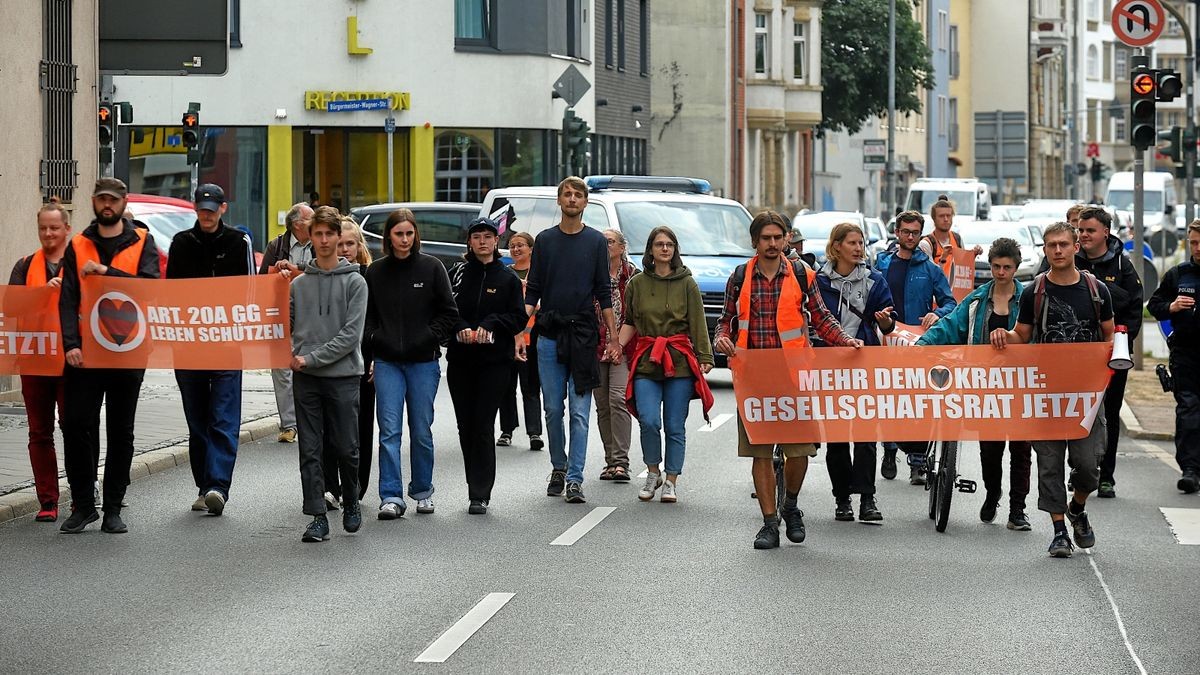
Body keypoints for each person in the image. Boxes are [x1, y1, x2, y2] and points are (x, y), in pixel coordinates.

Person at [714, 210, 862, 550]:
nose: (772, 244)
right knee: (760, 454)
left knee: (800, 452)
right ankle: (769, 523)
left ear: (785, 239)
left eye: (777, 237)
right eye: (765, 238)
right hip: (754, 378)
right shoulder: (739, 277)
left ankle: (790, 506)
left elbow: (822, 317)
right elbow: (726, 321)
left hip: (795, 376)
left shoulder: (800, 273)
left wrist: (845, 340)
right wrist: (721, 339)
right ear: (755, 242)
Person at [991, 221, 1114, 558]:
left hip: (1085, 397)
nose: (1057, 251)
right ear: (1044, 250)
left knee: (1088, 467)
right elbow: (1022, 333)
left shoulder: (1096, 290)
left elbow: (1109, 335)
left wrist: (1114, 359)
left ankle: (1077, 507)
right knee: (1049, 464)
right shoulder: (1035, 291)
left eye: (1063, 244)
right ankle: (1060, 530)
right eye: (1050, 246)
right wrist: (1005, 336)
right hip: (1045, 393)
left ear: (1076, 246)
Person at [58, 178, 161, 534]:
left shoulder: (142, 241)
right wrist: (70, 343)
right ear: (93, 201)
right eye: (101, 199)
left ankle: (114, 507)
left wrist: (107, 273)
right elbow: (67, 297)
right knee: (75, 425)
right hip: (85, 353)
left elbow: (149, 288)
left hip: (127, 350)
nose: (106, 205)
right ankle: (84, 504)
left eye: (112, 200)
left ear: (122, 203)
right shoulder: (79, 243)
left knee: (121, 431)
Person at [917, 238, 1033, 531]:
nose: (1001, 272)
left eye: (1007, 267)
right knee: (990, 448)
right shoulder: (979, 299)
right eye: (996, 266)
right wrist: (921, 345)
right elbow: (951, 325)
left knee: (1021, 449)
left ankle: (1018, 509)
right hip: (985, 384)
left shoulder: (1029, 299)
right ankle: (993, 493)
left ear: (1016, 268)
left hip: (1019, 383)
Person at [523, 177, 620, 505]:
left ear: (585, 202)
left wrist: (614, 338)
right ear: (559, 200)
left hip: (582, 336)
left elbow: (603, 291)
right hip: (549, 335)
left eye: (578, 195)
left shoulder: (595, 242)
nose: (573, 199)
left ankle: (576, 478)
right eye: (567, 193)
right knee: (552, 408)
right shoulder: (545, 241)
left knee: (580, 412)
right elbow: (533, 288)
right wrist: (521, 331)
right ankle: (558, 467)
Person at [1037, 206, 1142, 499]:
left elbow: (1133, 308)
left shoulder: (1121, 266)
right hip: (1060, 366)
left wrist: (1117, 347)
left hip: (1109, 360)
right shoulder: (1061, 262)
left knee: (1107, 414)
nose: (1083, 236)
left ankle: (1104, 475)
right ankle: (1076, 471)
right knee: (1065, 418)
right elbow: (1034, 306)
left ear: (1105, 233)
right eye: (1080, 231)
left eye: (1089, 231)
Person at [166, 183, 255, 516]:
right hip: (189, 345)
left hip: (227, 343)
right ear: (195, 208)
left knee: (223, 416)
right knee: (197, 418)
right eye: (202, 208)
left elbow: (249, 291)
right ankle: (204, 484)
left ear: (223, 208)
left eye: (212, 208)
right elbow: (170, 295)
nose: (207, 213)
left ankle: (218, 485)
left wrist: (239, 331)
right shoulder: (181, 243)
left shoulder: (238, 242)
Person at [366, 209, 459, 519]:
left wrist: (428, 337)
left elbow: (449, 312)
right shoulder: (375, 272)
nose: (405, 239)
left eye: (409, 233)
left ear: (415, 235)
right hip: (387, 361)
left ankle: (422, 490)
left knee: (421, 430)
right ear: (388, 237)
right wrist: (376, 341)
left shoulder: (432, 268)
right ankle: (390, 496)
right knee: (388, 432)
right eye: (398, 234)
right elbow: (367, 318)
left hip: (423, 362)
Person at [289, 207, 368, 542]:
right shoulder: (297, 285)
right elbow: (282, 325)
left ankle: (351, 500)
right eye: (317, 234)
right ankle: (317, 515)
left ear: (338, 237)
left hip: (343, 376)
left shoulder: (355, 282)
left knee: (346, 447)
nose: (323, 241)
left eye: (328, 234)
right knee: (310, 447)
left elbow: (351, 336)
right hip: (306, 378)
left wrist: (312, 359)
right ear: (310, 236)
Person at [620, 225, 714, 502]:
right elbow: (630, 322)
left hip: (679, 362)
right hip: (647, 361)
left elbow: (698, 322)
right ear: (650, 249)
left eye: (669, 245)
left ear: (674, 251)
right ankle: (653, 472)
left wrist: (705, 357)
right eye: (659, 244)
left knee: (674, 425)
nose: (664, 249)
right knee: (648, 420)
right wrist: (615, 346)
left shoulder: (687, 283)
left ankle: (671, 479)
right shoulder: (635, 284)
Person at [814, 222, 896, 522]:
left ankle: (867, 498)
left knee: (865, 433)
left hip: (864, 362)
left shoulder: (874, 280)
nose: (859, 248)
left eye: (861, 243)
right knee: (837, 435)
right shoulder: (818, 281)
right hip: (830, 363)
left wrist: (884, 321)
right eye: (852, 243)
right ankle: (842, 498)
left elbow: (888, 323)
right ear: (836, 247)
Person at [447, 217, 527, 514]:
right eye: (477, 236)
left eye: (488, 236)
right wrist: (460, 327)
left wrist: (491, 325)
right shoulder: (457, 273)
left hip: (494, 363)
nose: (482, 241)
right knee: (465, 426)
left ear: (497, 241)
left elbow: (518, 316)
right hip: (460, 360)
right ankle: (473, 481)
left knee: (482, 424)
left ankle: (480, 492)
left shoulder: (506, 278)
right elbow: (445, 309)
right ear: (469, 242)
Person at [875, 210, 957, 484]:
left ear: (920, 234)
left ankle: (917, 461)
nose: (910, 237)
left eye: (915, 232)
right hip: (886, 341)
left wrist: (938, 313)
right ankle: (889, 449)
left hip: (918, 343)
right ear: (897, 233)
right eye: (905, 232)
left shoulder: (930, 269)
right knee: (888, 399)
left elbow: (950, 303)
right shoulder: (882, 264)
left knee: (917, 400)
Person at [10, 199, 71, 522]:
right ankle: (48, 500)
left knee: (75, 428)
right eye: (43, 228)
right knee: (39, 433)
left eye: (54, 228)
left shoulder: (78, 265)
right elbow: (13, 309)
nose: (48, 233)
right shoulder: (24, 265)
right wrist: (41, 294)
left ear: (66, 229)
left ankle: (83, 496)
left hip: (70, 361)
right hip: (34, 359)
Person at [319, 217, 375, 508]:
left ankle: (355, 484)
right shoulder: (322, 276)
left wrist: (375, 357)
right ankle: (330, 487)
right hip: (328, 364)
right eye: (340, 244)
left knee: (360, 426)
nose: (344, 249)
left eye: (349, 243)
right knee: (328, 428)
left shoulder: (370, 276)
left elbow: (378, 321)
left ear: (359, 245)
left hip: (362, 363)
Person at [1148, 220, 1200, 494]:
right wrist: (1172, 306)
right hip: (1186, 353)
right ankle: (1190, 470)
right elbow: (1154, 305)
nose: (1197, 247)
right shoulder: (1178, 274)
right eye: (1193, 242)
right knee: (1189, 409)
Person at [260, 203, 314, 444]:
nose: (316, 224)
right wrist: (278, 274)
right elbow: (262, 281)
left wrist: (297, 269)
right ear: (297, 225)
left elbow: (326, 269)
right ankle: (289, 425)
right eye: (310, 220)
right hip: (281, 316)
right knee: (282, 372)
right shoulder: (277, 246)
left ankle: (310, 420)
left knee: (310, 368)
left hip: (313, 316)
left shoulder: (319, 242)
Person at [595, 229, 638, 483]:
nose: (605, 246)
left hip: (624, 347)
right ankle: (610, 461)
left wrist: (619, 343)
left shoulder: (633, 276)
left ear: (622, 247)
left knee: (617, 399)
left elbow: (636, 316)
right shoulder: (589, 273)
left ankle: (621, 462)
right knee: (602, 405)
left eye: (610, 242)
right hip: (595, 346)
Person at [497, 232, 544, 451]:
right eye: (512, 246)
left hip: (533, 339)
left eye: (521, 246)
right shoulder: (505, 275)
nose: (516, 249)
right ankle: (507, 430)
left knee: (531, 386)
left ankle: (534, 432)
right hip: (507, 339)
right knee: (506, 386)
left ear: (531, 249)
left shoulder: (541, 274)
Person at [918, 196, 983, 280]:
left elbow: (962, 268)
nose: (946, 219)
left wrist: (973, 254)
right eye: (941, 216)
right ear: (934, 219)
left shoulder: (957, 239)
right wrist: (943, 258)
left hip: (954, 292)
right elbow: (928, 276)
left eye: (948, 216)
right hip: (936, 292)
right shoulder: (926, 244)